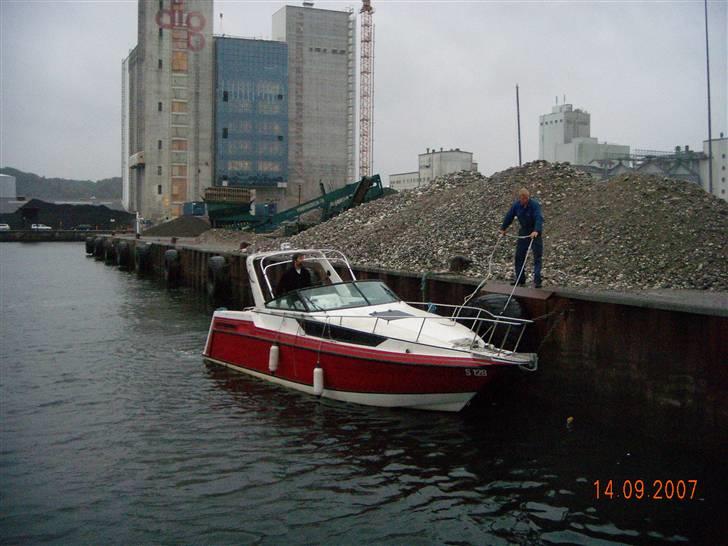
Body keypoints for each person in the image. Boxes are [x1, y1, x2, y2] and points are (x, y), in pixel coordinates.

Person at [499, 188, 544, 288]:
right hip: (524, 230)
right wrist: (503, 228)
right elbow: (509, 216)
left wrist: (536, 230)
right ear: (520, 198)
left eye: (526, 198)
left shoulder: (535, 205)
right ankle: (520, 279)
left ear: (528, 197)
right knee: (519, 256)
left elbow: (538, 218)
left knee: (537, 256)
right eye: (522, 199)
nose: (524, 200)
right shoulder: (516, 205)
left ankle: (537, 281)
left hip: (535, 232)